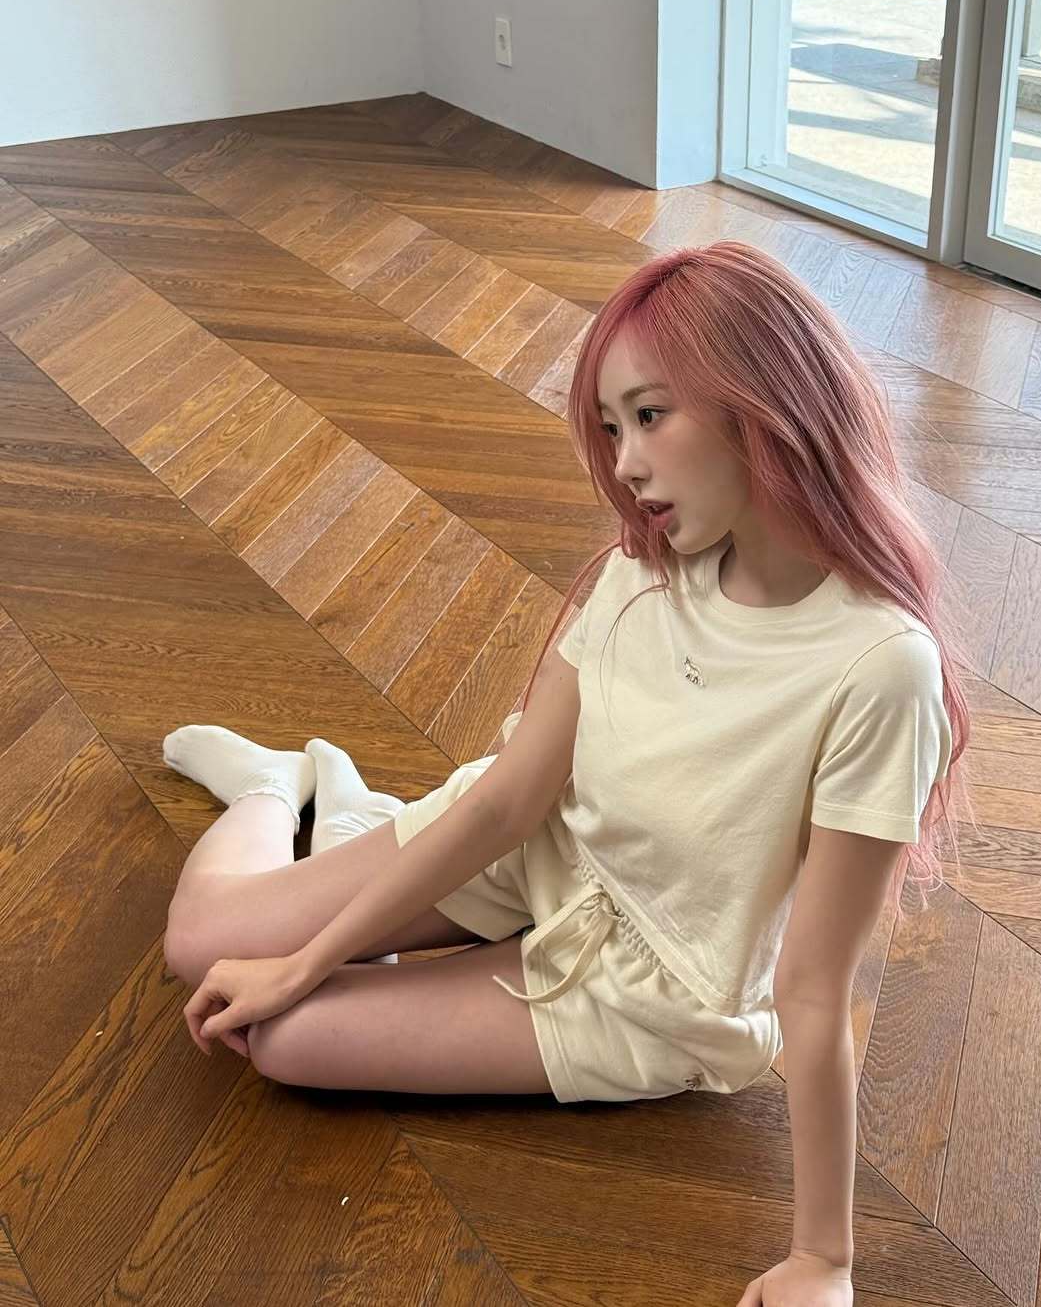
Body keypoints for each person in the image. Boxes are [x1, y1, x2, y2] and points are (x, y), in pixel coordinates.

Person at [161, 241, 976, 1303]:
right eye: (610, 427)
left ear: (762, 400)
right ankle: (283, 788)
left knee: (285, 1040)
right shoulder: (647, 566)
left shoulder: (880, 668)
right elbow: (511, 798)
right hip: (546, 846)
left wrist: (826, 1258)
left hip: (649, 986)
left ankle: (349, 822)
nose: (625, 465)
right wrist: (308, 954)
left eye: (649, 416)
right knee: (201, 943)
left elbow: (814, 990)